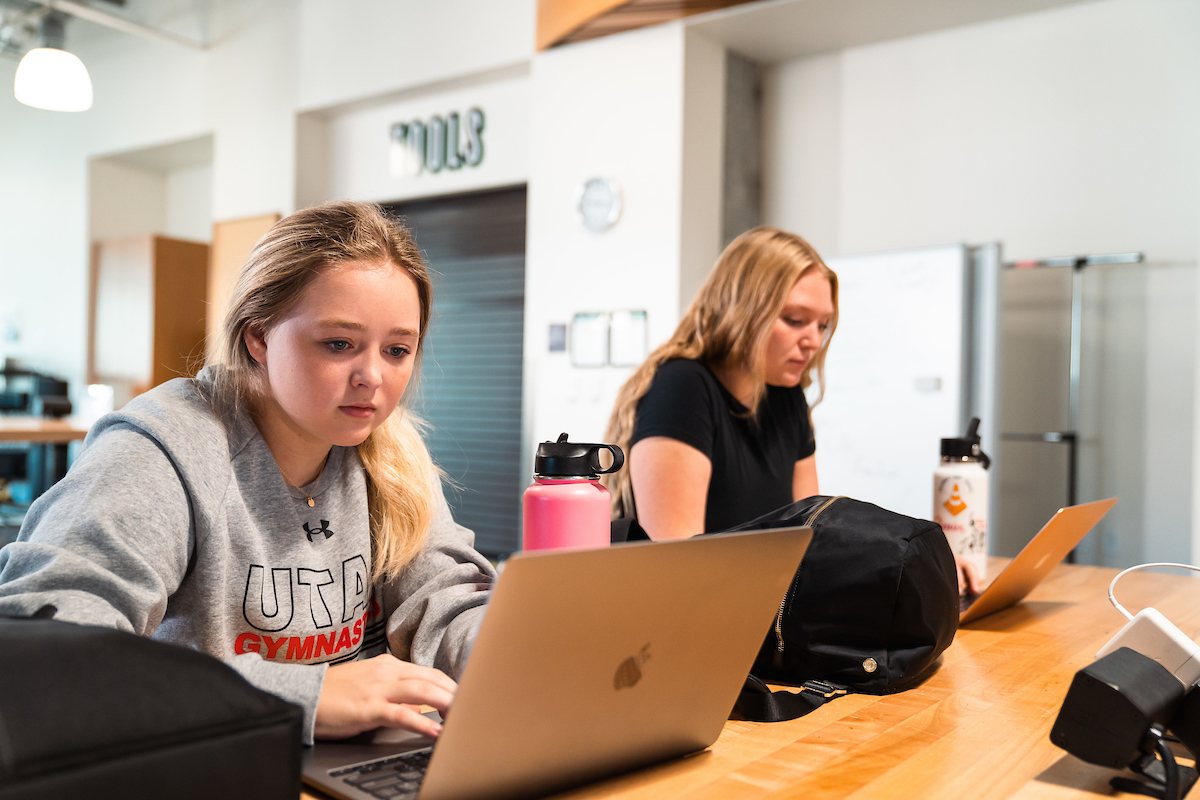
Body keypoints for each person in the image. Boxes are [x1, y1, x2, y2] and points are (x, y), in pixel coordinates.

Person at [0, 201, 495, 744]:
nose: (372, 377)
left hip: (346, 766)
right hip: (202, 763)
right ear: (258, 338)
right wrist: (304, 696)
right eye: (338, 344)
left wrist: (522, 661)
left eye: (398, 350)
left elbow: (448, 604)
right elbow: (47, 653)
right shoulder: (161, 451)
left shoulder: (392, 453)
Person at [603, 226, 983, 596]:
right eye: (796, 320)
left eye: (822, 325)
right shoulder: (682, 386)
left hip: (758, 612)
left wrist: (922, 567)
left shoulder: (787, 398)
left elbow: (809, 540)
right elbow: (677, 568)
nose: (814, 341)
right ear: (741, 311)